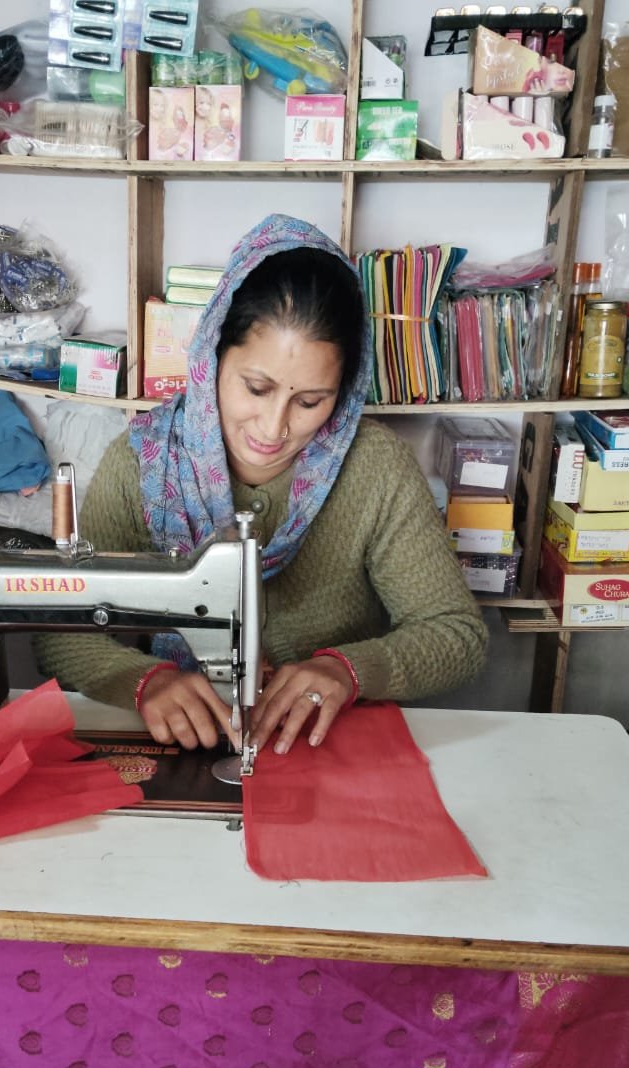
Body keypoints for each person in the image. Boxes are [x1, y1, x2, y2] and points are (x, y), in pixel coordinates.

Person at [34, 213, 487, 750]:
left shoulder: (376, 470)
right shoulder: (144, 464)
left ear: (345, 389)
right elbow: (61, 628)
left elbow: (457, 633)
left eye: (310, 401)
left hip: (328, 743)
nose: (273, 429)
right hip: (190, 738)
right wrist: (144, 681)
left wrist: (349, 670)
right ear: (211, 357)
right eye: (255, 388)